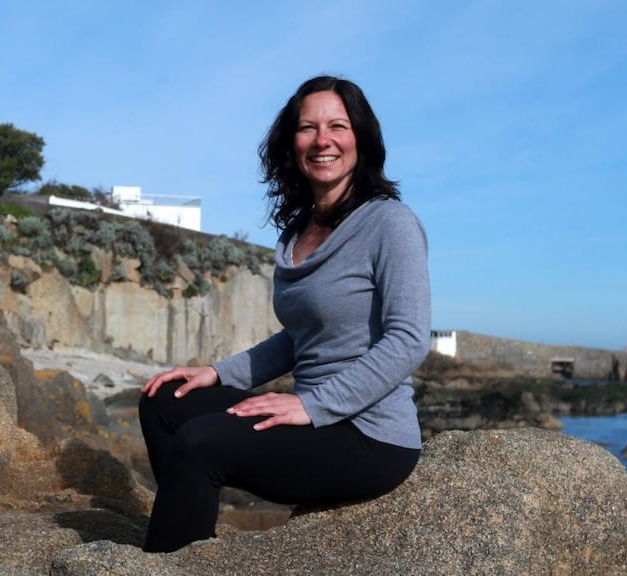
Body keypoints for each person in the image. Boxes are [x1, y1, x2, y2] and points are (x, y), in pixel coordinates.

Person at [138, 75, 431, 553]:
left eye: (337, 126)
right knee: (164, 399)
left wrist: (310, 406)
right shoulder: (298, 232)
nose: (322, 140)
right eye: (307, 127)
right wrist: (217, 373)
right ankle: (188, 537)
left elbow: (408, 339)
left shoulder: (390, 222)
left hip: (370, 435)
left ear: (361, 138)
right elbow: (299, 338)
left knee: (201, 442)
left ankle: (172, 558)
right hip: (314, 417)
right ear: (291, 142)